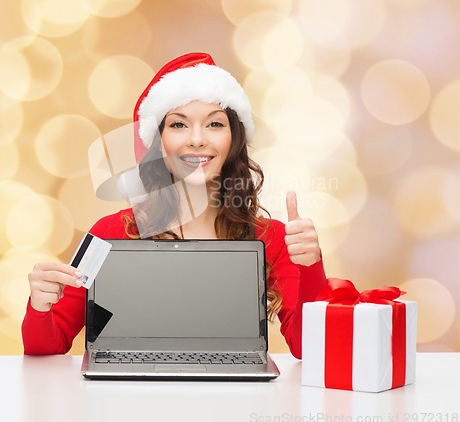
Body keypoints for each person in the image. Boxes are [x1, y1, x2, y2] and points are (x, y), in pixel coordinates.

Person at [21, 52, 327, 358]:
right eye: (179, 125)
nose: (196, 140)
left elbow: (309, 349)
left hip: (233, 398)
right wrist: (39, 305)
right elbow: (46, 345)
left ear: (233, 139)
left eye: (214, 124)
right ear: (158, 142)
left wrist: (311, 266)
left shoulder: (271, 237)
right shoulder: (109, 233)